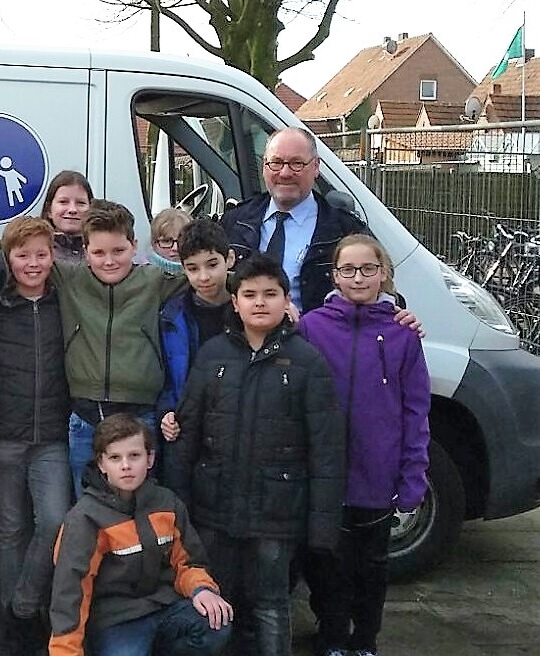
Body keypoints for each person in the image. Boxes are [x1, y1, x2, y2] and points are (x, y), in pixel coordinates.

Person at [170, 254, 345, 656]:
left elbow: (326, 449)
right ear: (235, 302)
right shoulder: (213, 355)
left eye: (270, 293)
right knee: (217, 601)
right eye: (250, 294)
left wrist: (322, 526)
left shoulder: (307, 362)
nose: (260, 302)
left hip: (276, 514)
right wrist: (179, 505)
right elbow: (187, 432)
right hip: (215, 508)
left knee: (270, 603)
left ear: (287, 300)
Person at [297, 234, 431, 656]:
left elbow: (416, 411)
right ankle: (332, 635)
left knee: (371, 566)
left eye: (368, 269)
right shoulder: (311, 327)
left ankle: (365, 639)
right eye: (348, 269)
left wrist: (412, 476)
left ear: (383, 274)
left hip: (378, 472)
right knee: (327, 564)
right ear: (334, 275)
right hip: (325, 473)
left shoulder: (403, 334)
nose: (358, 278)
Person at [49, 413, 232, 656]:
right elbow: (70, 592)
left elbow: (189, 562)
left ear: (150, 459)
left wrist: (202, 589)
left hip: (164, 606)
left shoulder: (167, 502)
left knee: (216, 623)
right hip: (116, 620)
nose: (126, 466)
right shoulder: (85, 518)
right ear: (101, 464)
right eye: (115, 458)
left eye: (134, 455)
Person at [0, 217, 72, 656]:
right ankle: (12, 622)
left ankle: (23, 607)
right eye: (22, 255)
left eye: (41, 254)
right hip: (3, 431)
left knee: (54, 520)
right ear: (7, 258)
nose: (32, 263)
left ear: (54, 256)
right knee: (9, 527)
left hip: (51, 432)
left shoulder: (66, 301)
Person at [54, 200, 187, 498]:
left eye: (118, 251)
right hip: (86, 416)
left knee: (139, 504)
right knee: (88, 505)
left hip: (140, 415)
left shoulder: (154, 281)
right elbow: (12, 251)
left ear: (134, 246)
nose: (109, 261)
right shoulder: (70, 279)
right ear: (85, 250)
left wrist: (280, 302)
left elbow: (207, 279)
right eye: (98, 253)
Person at [219, 126, 369, 314]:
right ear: (264, 166)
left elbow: (379, 289)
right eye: (276, 163)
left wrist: (394, 313)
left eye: (296, 163)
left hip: (315, 332)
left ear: (316, 167)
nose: (285, 173)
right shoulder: (234, 222)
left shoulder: (345, 231)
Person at [153, 219, 235, 475]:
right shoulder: (171, 315)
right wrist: (166, 412)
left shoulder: (248, 309)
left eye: (212, 265)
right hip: (189, 430)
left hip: (237, 427)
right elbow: (166, 376)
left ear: (229, 259)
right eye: (192, 268)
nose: (204, 277)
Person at [39, 170, 93, 263]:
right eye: (63, 202)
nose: (72, 210)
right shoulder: (34, 254)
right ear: (49, 210)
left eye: (81, 203)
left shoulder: (104, 253)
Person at [147, 207, 193, 275]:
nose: (175, 248)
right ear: (153, 243)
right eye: (167, 241)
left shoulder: (204, 275)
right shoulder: (142, 277)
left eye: (182, 239)